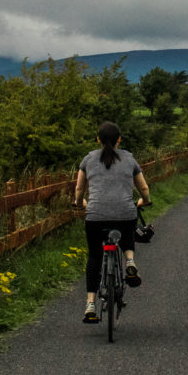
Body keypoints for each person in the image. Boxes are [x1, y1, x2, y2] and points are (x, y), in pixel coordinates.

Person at [72, 121, 149, 323]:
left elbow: (79, 189)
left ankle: (90, 304)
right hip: (124, 212)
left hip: (95, 215)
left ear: (98, 139)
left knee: (95, 258)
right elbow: (144, 189)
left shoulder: (88, 159)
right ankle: (130, 261)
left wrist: (80, 204)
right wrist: (145, 201)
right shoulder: (129, 159)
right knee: (128, 226)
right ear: (119, 140)